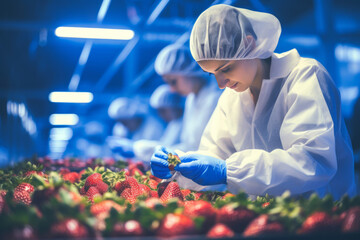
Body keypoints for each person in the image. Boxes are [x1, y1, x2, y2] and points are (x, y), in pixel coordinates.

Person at [150, 4, 356, 200]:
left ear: (249, 44)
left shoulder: (305, 75)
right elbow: (212, 155)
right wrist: (178, 164)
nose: (220, 83)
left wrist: (227, 170)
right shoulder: (231, 98)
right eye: (212, 73)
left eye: (226, 69)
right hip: (265, 220)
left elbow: (312, 162)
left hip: (321, 217)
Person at [154, 44, 222, 152]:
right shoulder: (191, 99)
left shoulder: (217, 97)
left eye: (173, 82)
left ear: (189, 71)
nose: (171, 89)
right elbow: (191, 144)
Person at [132, 84, 185, 161]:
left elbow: (185, 149)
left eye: (163, 110)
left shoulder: (185, 123)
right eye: (158, 111)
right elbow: (166, 145)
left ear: (174, 105)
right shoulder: (173, 124)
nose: (161, 115)